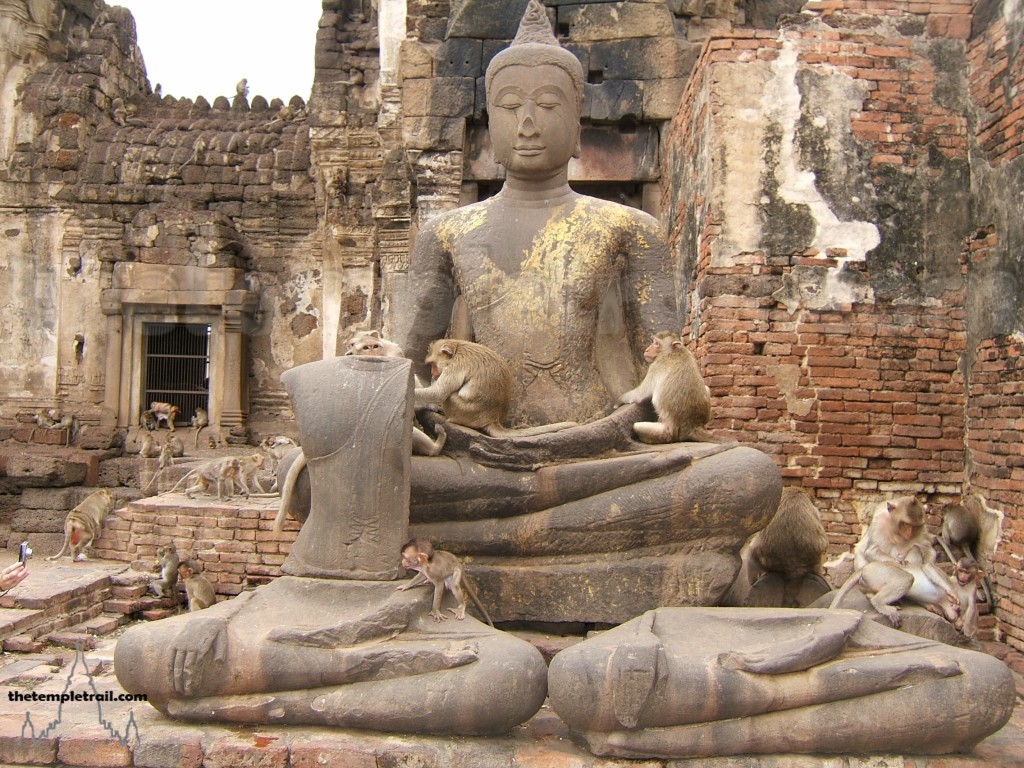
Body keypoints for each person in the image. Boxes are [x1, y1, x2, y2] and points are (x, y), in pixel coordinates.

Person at [390, 0, 781, 622]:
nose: (526, 123)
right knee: (324, 481)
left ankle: (496, 552)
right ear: (488, 123)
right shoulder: (447, 232)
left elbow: (667, 367)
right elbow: (399, 361)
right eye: (510, 107)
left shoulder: (630, 228)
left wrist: (661, 430)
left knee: (748, 477)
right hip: (481, 456)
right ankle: (603, 560)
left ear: (578, 125)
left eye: (547, 107)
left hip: (600, 451)